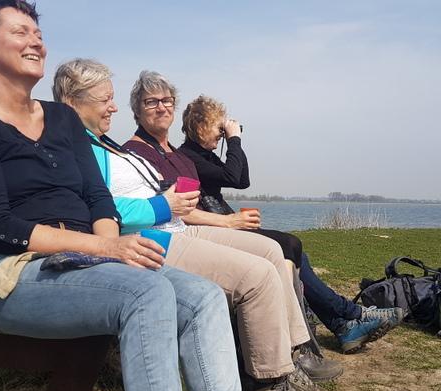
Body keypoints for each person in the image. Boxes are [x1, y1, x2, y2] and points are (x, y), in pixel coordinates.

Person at [0, 3, 249, 391]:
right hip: (4, 270)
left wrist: (111, 247)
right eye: (20, 31)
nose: (36, 40)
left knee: (204, 298)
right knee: (149, 291)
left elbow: (97, 197)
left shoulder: (63, 119)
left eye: (38, 32)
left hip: (80, 259)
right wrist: (107, 250)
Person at [52, 58, 339, 391]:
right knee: (257, 275)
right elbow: (97, 207)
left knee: (273, 250)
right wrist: (163, 204)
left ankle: (292, 354)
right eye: (106, 99)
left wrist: (170, 204)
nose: (113, 107)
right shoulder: (80, 148)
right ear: (73, 102)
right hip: (151, 237)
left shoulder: (99, 142)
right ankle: (270, 387)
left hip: (172, 226)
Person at [122, 81, 404, 354]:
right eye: (152, 102)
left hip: (215, 226)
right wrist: (234, 139)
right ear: (199, 126)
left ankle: (332, 321)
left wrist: (233, 143)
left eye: (167, 101)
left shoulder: (188, 157)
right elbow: (220, 184)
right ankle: (338, 320)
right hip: (200, 232)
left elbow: (241, 180)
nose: (221, 132)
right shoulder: (186, 156)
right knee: (288, 247)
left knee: (293, 251)